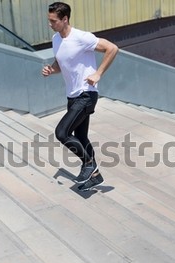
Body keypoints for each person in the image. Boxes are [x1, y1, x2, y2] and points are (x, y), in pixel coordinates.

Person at [42, 2, 118, 192]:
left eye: (53, 21)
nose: (50, 24)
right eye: (49, 20)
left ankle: (89, 163)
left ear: (65, 19)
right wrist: (51, 69)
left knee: (62, 132)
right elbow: (61, 63)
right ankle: (95, 175)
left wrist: (98, 73)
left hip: (87, 93)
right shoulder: (56, 39)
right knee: (80, 136)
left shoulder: (82, 37)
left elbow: (112, 48)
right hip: (73, 96)